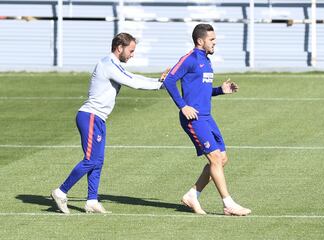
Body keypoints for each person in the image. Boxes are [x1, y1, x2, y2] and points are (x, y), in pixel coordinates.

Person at [51, 33, 168, 214]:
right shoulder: (108, 64)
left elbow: (133, 76)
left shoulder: (114, 65)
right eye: (131, 50)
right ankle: (61, 191)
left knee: (98, 161)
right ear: (119, 47)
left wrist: (158, 82)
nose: (132, 54)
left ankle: (92, 201)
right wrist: (159, 84)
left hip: (98, 119)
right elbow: (133, 82)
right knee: (91, 160)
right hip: (89, 116)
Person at [163, 24, 251, 216]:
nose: (214, 43)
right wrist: (183, 106)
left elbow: (201, 91)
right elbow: (169, 80)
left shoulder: (206, 61)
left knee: (222, 158)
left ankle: (192, 195)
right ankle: (228, 204)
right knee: (215, 158)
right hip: (193, 118)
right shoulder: (190, 58)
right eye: (211, 40)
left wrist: (220, 90)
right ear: (200, 41)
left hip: (207, 117)